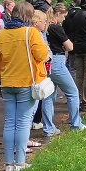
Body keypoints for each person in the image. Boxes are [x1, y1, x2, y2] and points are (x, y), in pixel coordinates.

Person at [0, 1, 49, 171]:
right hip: (26, 82)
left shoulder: (1, 34)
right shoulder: (30, 32)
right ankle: (20, 162)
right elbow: (42, 55)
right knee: (24, 123)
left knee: (10, 122)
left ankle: (8, 164)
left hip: (7, 82)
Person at [47, 3, 86, 131]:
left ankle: (49, 128)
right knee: (72, 92)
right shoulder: (56, 28)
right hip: (57, 62)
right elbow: (70, 46)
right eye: (64, 16)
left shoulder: (46, 27)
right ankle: (76, 124)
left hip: (48, 62)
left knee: (49, 96)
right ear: (58, 14)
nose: (65, 19)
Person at [31, 9, 59, 141]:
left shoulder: (39, 32)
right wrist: (49, 57)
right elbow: (43, 54)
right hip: (38, 72)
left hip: (39, 71)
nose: (45, 24)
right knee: (34, 103)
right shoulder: (36, 34)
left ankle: (44, 125)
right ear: (36, 22)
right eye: (43, 21)